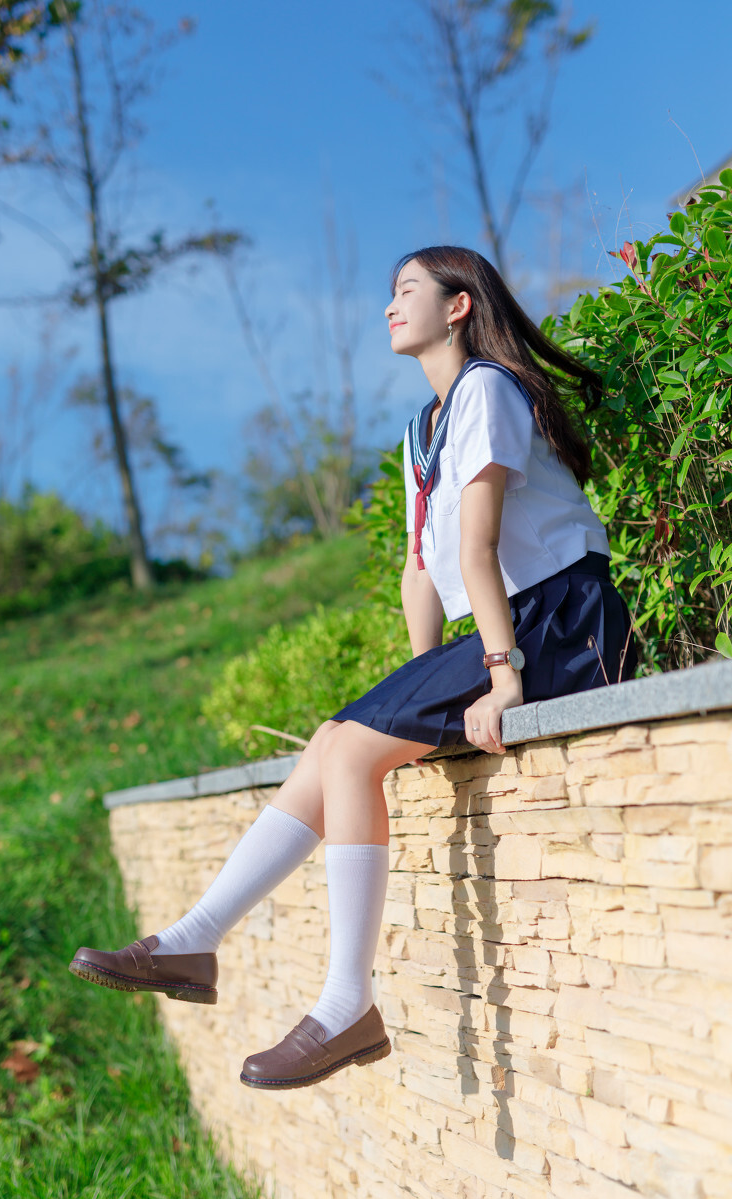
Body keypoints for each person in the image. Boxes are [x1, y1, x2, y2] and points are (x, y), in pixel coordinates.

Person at [69, 244, 637, 1092]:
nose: (387, 305)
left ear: (458, 306)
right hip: (504, 624)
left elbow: (479, 549)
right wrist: (425, 687)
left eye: (406, 289)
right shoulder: (424, 431)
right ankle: (194, 943)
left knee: (354, 747)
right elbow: (423, 570)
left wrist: (499, 674)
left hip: (562, 620)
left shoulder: (486, 389)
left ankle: (343, 1004)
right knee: (339, 736)